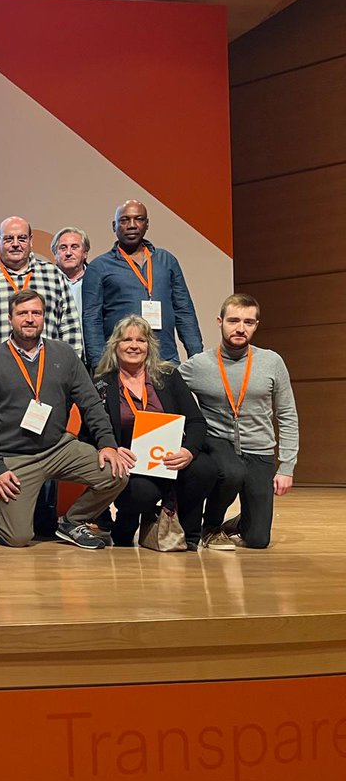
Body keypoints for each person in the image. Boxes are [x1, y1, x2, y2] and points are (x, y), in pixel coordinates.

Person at [0, 290, 130, 550]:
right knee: (19, 538)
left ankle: (72, 521)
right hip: (17, 457)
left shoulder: (64, 354)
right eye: (22, 313)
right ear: (10, 319)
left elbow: (91, 403)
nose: (30, 319)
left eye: (36, 313)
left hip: (59, 448)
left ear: (44, 318)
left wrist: (107, 444)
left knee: (117, 472)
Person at [0, 216, 83, 536]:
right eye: (8, 238)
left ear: (30, 241)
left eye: (21, 238)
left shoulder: (52, 275)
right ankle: (0, 510)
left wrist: (70, 372)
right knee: (1, 446)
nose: (15, 244)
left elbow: (69, 321)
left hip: (48, 378)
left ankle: (44, 516)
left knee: (48, 443)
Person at [179, 294, 299, 550]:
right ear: (220, 322)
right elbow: (166, 386)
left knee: (257, 540)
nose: (240, 328)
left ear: (256, 325)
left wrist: (286, 466)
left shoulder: (272, 362)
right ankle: (210, 526)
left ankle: (242, 522)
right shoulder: (199, 365)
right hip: (218, 446)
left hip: (259, 450)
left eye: (248, 322)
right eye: (233, 320)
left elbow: (287, 414)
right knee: (232, 472)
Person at [91, 316, 217, 550]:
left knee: (204, 469)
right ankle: (126, 527)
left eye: (141, 340)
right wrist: (112, 448)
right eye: (126, 339)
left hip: (170, 458)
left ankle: (189, 535)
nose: (134, 345)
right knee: (142, 493)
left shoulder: (168, 376)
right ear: (115, 345)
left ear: (149, 345)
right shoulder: (102, 382)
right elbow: (90, 429)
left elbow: (196, 421)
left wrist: (188, 451)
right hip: (131, 464)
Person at [82, 200, 203, 369]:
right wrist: (99, 365)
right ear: (114, 226)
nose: (131, 225)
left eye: (138, 219)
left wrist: (197, 357)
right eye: (124, 220)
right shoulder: (99, 267)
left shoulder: (166, 261)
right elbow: (91, 318)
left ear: (147, 224)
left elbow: (184, 310)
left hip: (165, 358)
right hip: (119, 363)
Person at [51, 227, 89, 324]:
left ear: (85, 253)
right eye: (63, 248)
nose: (68, 253)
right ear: (55, 254)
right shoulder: (47, 281)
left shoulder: (97, 280)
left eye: (74, 247)